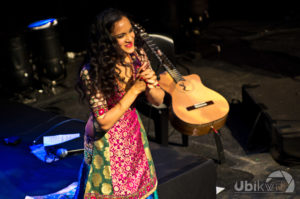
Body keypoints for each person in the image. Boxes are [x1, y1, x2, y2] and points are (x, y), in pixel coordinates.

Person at [74, 8, 165, 199]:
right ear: (107, 41)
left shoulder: (137, 56)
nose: (130, 38)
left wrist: (150, 84)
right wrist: (134, 90)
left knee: (139, 186)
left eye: (131, 31)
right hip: (104, 141)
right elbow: (104, 122)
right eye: (121, 35)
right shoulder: (92, 72)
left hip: (132, 132)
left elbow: (158, 100)